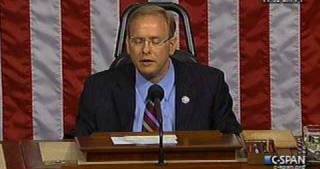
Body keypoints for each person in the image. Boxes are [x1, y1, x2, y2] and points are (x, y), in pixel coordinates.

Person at [75, 4, 242, 137]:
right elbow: (79, 146)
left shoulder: (209, 85)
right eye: (138, 41)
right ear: (128, 45)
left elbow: (231, 141)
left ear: (171, 46)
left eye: (155, 41)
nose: (146, 50)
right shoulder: (98, 89)